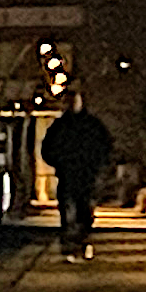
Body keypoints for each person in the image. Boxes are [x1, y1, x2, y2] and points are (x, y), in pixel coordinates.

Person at [39, 97, 115, 260]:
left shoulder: (83, 125)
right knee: (72, 205)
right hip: (71, 171)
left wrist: (97, 164)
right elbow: (48, 148)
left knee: (81, 205)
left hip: (83, 172)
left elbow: (105, 147)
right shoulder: (67, 126)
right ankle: (73, 238)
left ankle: (78, 236)